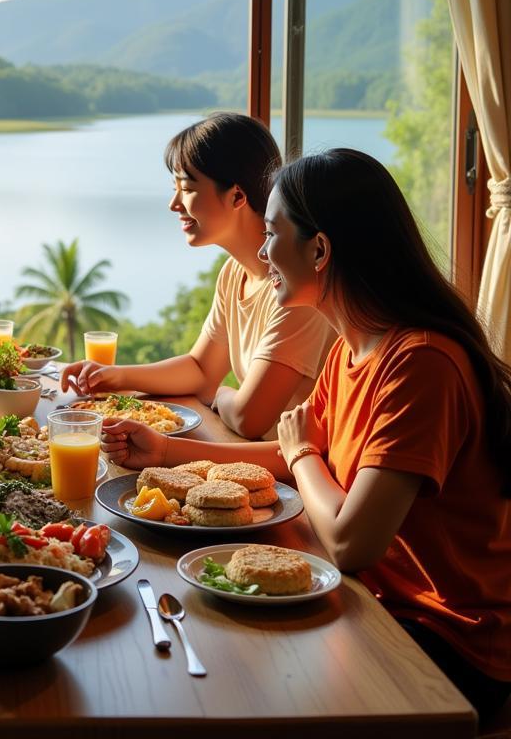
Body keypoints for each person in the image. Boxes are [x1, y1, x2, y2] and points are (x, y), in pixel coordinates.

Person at [102, 149, 511, 719]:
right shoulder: (355, 343)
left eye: (272, 234)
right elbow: (302, 450)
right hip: (375, 598)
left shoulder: (421, 363)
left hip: (446, 640)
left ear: (320, 250)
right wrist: (169, 450)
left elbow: (349, 542)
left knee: (234, 686)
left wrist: (301, 453)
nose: (263, 253)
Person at [62, 113, 334, 439]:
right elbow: (202, 370)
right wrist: (115, 376)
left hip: (292, 470)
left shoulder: (295, 288)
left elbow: (250, 418)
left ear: (237, 196)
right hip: (249, 452)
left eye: (187, 188)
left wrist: (220, 395)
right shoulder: (235, 273)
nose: (174, 204)